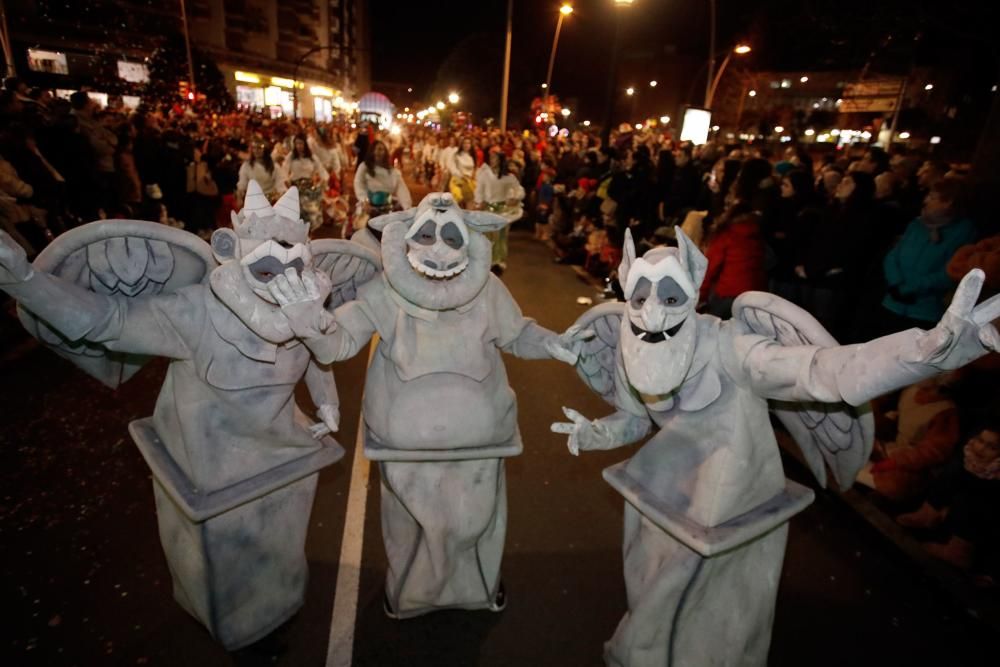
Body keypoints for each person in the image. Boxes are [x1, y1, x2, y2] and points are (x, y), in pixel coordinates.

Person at [878, 177, 978, 334]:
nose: (925, 201)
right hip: (893, 303)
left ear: (948, 203)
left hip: (925, 311)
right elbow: (893, 256)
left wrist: (912, 288)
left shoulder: (963, 232)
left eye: (932, 197)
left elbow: (950, 271)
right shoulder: (916, 225)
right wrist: (896, 283)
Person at [896, 425, 1000, 569]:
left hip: (986, 508)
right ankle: (928, 513)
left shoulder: (995, 471)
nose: (981, 448)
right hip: (969, 489)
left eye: (992, 448)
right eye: (980, 441)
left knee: (971, 499)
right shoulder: (972, 455)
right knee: (954, 469)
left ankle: (959, 552)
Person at [474, 150, 525, 274]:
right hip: (487, 208)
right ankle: (486, 260)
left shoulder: (508, 177)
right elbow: (479, 190)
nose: (492, 161)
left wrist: (514, 198)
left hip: (502, 210)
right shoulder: (484, 173)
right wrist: (478, 202)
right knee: (487, 235)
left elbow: (519, 190)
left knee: (500, 236)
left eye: (495, 158)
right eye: (491, 158)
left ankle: (498, 261)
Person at [353, 140, 411, 225]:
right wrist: (364, 201)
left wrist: (407, 208)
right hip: (367, 206)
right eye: (375, 149)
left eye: (380, 149)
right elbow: (358, 184)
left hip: (387, 209)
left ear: (385, 152)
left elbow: (402, 190)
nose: (377, 152)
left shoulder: (393, 172)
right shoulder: (364, 167)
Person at [285, 135, 328, 229]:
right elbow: (284, 170)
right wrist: (286, 183)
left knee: (312, 213)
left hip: (309, 189)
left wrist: (323, 180)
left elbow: (321, 170)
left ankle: (309, 232)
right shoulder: (291, 156)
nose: (299, 146)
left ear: (305, 144)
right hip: (295, 188)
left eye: (301, 143)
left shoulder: (312, 157)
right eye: (296, 143)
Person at [236, 140, 283, 205]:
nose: (256, 150)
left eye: (259, 148)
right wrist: (240, 195)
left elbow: (280, 182)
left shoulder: (273, 165)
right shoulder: (246, 165)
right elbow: (242, 183)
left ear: (265, 149)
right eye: (254, 148)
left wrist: (281, 194)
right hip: (255, 201)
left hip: (271, 200)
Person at [448, 136, 477, 208]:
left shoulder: (472, 156)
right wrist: (462, 176)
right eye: (464, 143)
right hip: (459, 179)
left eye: (468, 143)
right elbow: (452, 168)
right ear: (461, 144)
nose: (466, 145)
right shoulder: (456, 155)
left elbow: (475, 168)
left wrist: (474, 174)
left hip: (470, 180)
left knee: (471, 201)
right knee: (461, 199)